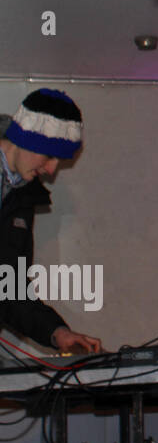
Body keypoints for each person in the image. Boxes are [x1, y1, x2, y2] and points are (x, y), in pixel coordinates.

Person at [0, 89, 102, 355]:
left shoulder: (22, 197)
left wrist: (56, 332)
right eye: (49, 156)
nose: (51, 170)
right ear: (26, 139)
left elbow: (9, 288)